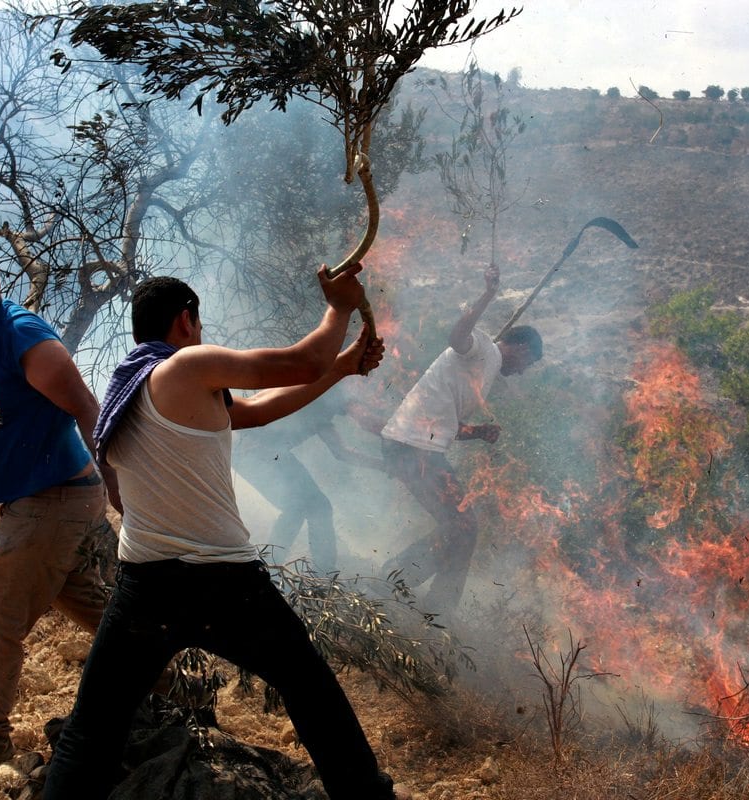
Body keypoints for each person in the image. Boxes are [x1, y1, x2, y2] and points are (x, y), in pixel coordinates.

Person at [43, 266, 397, 800]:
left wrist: (344, 368)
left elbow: (253, 413)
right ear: (186, 320)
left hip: (145, 588)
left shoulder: (132, 388)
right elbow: (302, 361)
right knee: (312, 694)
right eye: (199, 323)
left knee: (92, 731)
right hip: (225, 586)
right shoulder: (189, 365)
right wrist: (340, 307)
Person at [0, 241, 117, 780]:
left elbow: (84, 405)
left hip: (52, 498)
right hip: (42, 501)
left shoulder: (22, 331)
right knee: (97, 610)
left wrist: (121, 488)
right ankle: (177, 688)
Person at [380, 263, 542, 613]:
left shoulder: (485, 370)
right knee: (461, 525)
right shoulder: (484, 349)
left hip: (419, 447)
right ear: (524, 349)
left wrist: (478, 432)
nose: (523, 372)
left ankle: (437, 612)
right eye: (528, 364)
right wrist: (487, 295)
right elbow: (456, 336)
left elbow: (447, 425)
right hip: (411, 446)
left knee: (464, 530)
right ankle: (391, 582)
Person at [234, 388, 382, 573]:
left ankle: (320, 573)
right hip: (252, 454)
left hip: (274, 454)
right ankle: (276, 569)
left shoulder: (322, 415)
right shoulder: (311, 394)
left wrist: (386, 467)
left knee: (315, 507)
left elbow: (341, 452)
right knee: (301, 508)